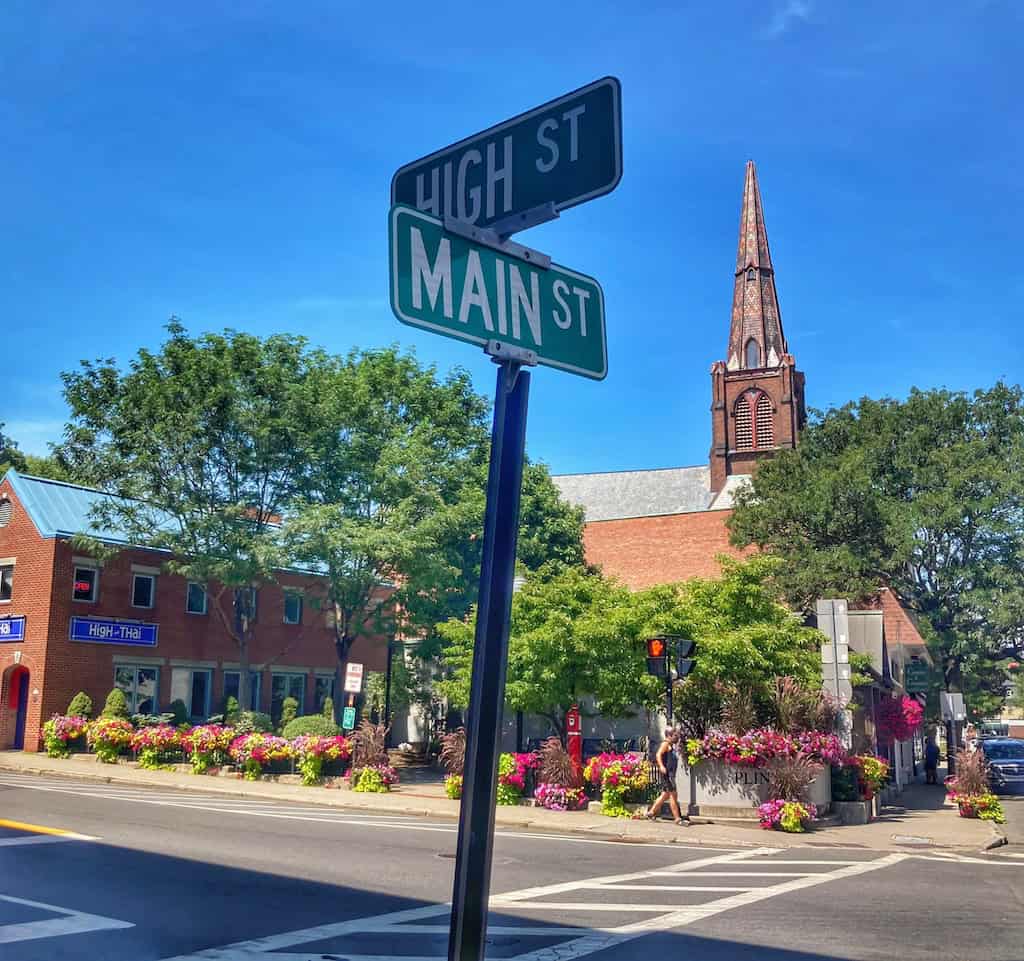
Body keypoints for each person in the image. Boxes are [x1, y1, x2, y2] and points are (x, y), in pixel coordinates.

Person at [646, 729, 688, 825]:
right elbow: (658, 754)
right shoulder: (665, 744)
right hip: (668, 775)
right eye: (675, 735)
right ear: (669, 735)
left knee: (665, 795)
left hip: (669, 774)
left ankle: (651, 812)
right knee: (673, 795)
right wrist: (661, 766)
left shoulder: (670, 746)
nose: (677, 737)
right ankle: (677, 819)